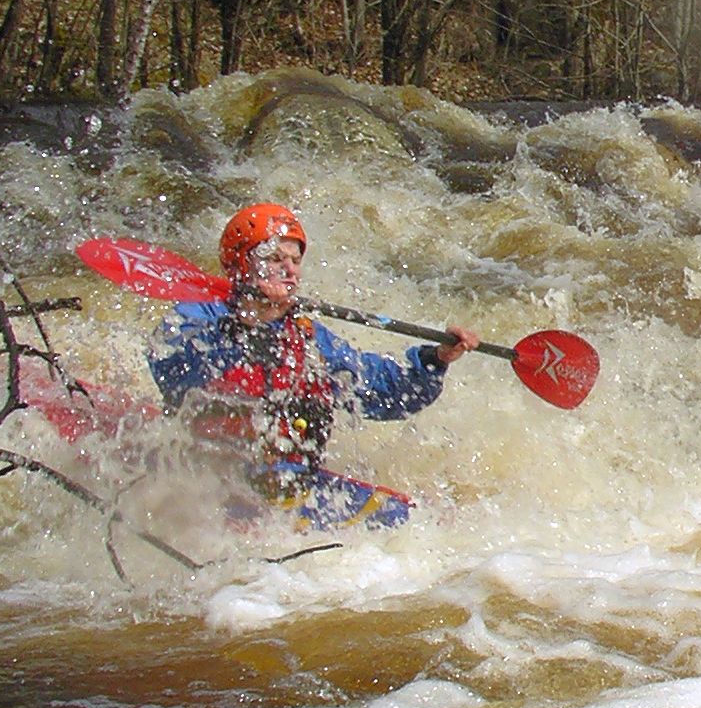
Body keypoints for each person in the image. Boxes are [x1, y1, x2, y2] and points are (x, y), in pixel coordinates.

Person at [148, 203, 479, 530]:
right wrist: (243, 337)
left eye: (295, 260)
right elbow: (169, 366)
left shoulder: (308, 340)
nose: (290, 270)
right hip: (203, 476)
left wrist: (436, 359)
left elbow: (386, 394)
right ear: (241, 265)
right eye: (275, 259)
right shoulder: (201, 317)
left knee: (407, 524)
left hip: (283, 484)